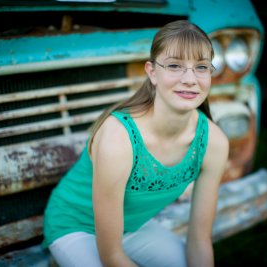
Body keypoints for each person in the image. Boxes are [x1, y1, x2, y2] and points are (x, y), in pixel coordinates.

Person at [42, 20, 229, 267]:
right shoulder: (119, 137)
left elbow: (200, 239)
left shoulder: (214, 142)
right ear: (152, 72)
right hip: (75, 224)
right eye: (174, 65)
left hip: (132, 225)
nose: (190, 79)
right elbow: (111, 257)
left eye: (201, 67)